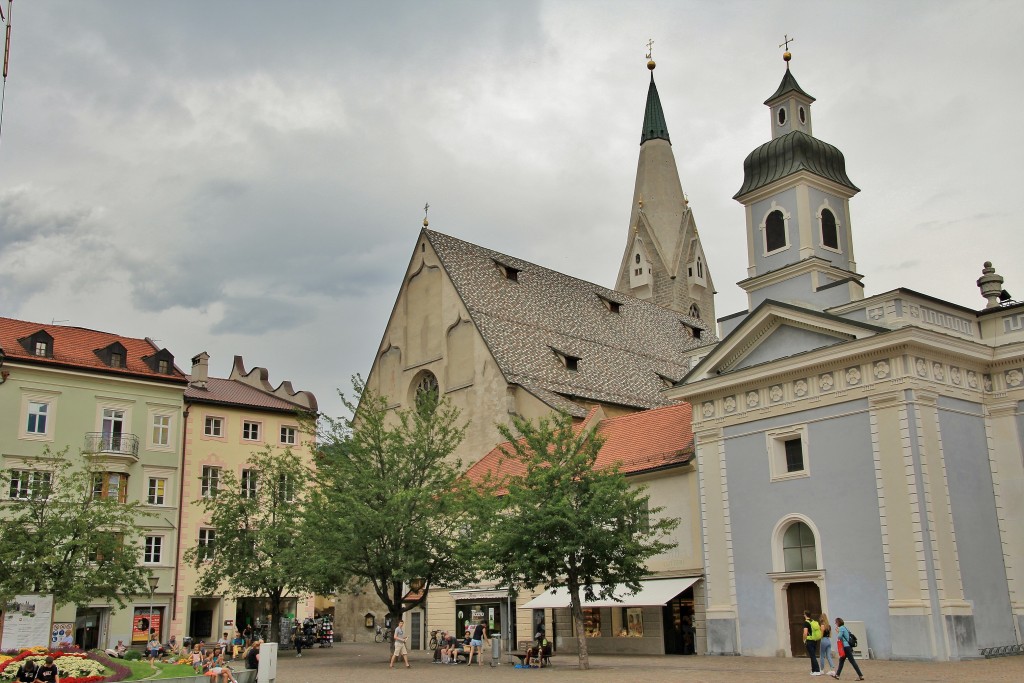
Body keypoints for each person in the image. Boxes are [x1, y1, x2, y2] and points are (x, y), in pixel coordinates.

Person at [802, 610, 822, 675]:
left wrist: (804, 640)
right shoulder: (813, 621)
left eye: (804, 614)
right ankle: (813, 670)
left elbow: (805, 633)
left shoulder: (806, 623)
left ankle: (817, 670)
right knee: (812, 655)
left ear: (805, 615)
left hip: (809, 640)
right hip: (815, 640)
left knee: (813, 656)